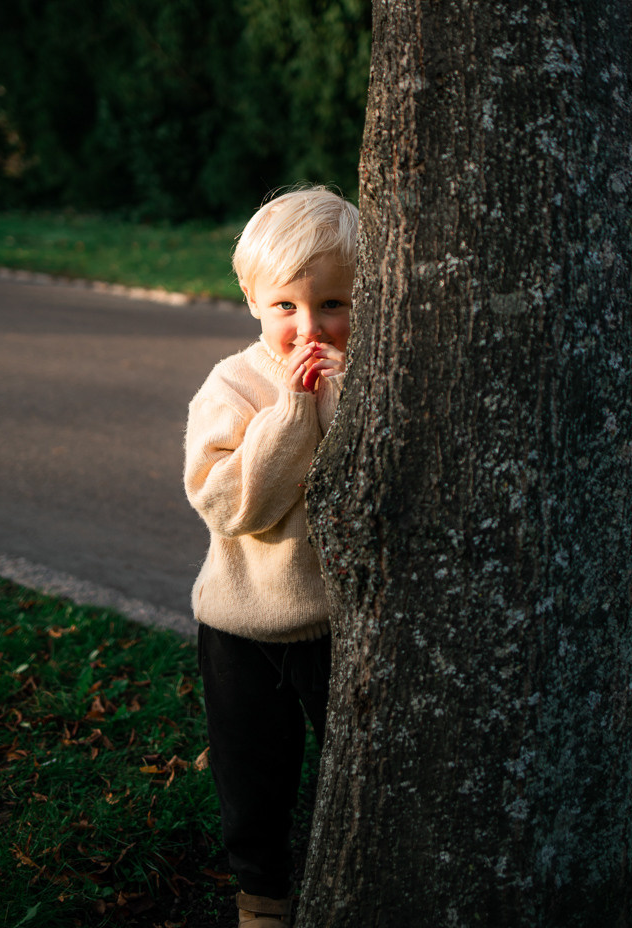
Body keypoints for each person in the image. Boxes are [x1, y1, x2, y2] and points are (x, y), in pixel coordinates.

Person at [183, 186, 358, 927]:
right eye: (285, 304)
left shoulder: (370, 382)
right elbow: (231, 507)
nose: (308, 326)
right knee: (252, 774)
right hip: (240, 628)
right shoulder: (234, 384)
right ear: (253, 300)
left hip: (337, 628)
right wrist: (290, 412)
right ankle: (261, 896)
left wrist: (341, 397)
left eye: (333, 304)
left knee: (354, 770)